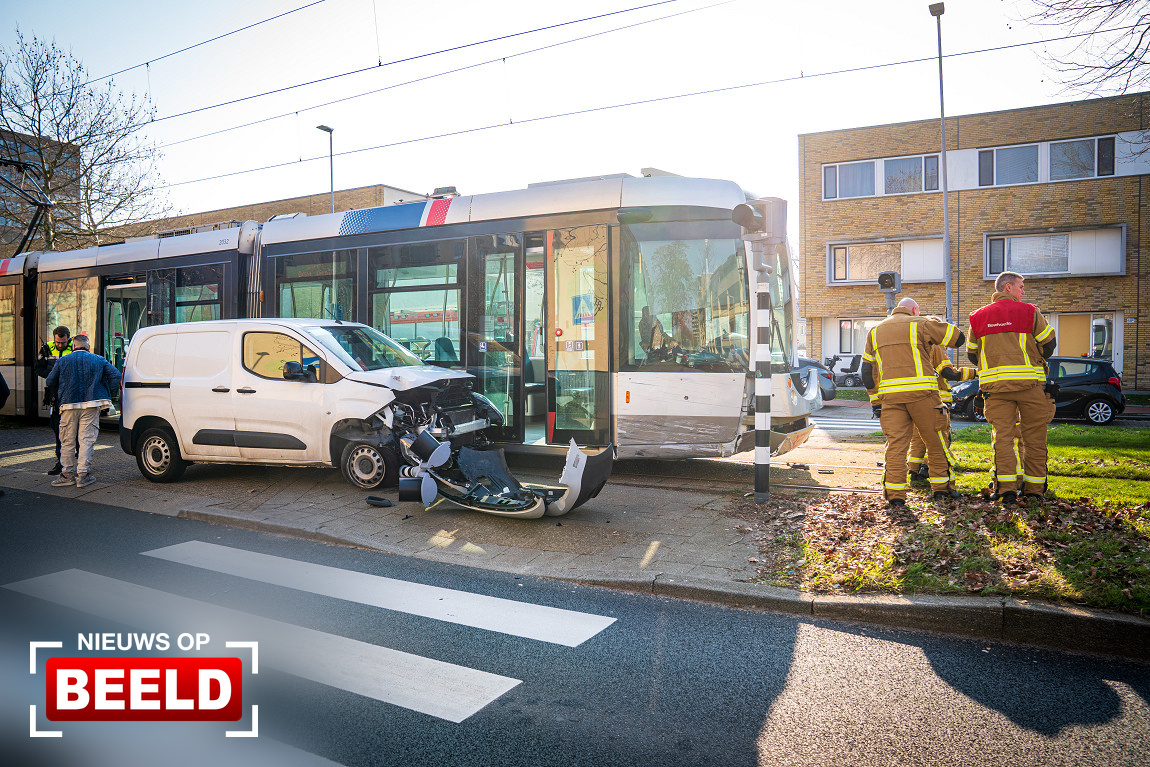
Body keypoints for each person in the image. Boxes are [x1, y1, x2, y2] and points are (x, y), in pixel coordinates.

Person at [861, 297, 965, 507]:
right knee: (936, 441)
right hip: (923, 396)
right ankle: (941, 491)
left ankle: (895, 496)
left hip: (891, 398)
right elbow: (958, 338)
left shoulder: (874, 331)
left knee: (896, 446)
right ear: (915, 310)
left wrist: (876, 402)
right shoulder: (922, 323)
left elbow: (866, 372)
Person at [967, 272, 1057, 506]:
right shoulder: (1029, 312)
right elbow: (1049, 344)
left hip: (996, 389)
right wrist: (1033, 358)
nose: (1023, 291)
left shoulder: (977, 318)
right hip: (1031, 386)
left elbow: (971, 354)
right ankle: (1034, 490)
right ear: (1008, 288)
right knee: (1034, 438)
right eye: (1020, 286)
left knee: (1002, 439)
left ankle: (1005, 490)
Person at [44, 334, 121, 488]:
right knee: (86, 440)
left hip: (68, 404)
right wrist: (105, 391)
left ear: (73, 346)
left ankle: (67, 475)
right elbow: (116, 375)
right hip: (91, 404)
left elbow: (50, 381)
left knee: (67, 441)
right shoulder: (98, 359)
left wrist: (62, 392)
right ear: (88, 347)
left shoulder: (62, 361)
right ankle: (83, 475)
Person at [907, 330, 977, 481]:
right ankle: (931, 470)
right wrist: (974, 373)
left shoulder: (917, 347)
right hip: (938, 400)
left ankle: (913, 471)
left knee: (918, 438)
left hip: (918, 399)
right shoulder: (936, 347)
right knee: (941, 439)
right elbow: (949, 373)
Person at [34, 325, 73, 475]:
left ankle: (75, 459)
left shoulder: (75, 346)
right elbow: (38, 369)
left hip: (71, 393)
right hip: (55, 394)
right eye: (58, 342)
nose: (60, 345)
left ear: (68, 339)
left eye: (63, 342)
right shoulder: (46, 348)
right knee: (57, 428)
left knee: (73, 428)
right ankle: (61, 461)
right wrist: (53, 375)